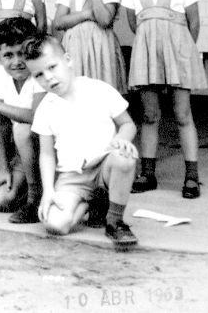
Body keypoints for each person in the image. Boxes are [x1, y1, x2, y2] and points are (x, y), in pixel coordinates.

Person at [26, 35, 140, 250]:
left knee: (124, 157)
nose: (48, 78)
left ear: (67, 60)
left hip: (104, 167)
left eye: (52, 67)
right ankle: (91, 203)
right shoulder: (46, 108)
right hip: (73, 176)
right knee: (55, 225)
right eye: (39, 74)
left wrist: (121, 140)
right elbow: (47, 155)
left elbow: (128, 124)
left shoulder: (99, 90)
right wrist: (48, 190)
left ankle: (115, 221)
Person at [121, 0, 207, 199]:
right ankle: (147, 173)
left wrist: (179, 53)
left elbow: (193, 23)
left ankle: (192, 176)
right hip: (147, 57)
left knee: (183, 114)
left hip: (179, 56)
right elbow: (136, 23)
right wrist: (152, 48)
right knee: (149, 115)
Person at [0, 18, 46, 224]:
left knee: (23, 131)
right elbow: (1, 122)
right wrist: (3, 167)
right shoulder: (0, 74)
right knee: (0, 200)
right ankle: (26, 184)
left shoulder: (40, 74)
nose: (16, 62)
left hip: (47, 148)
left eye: (22, 54)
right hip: (20, 152)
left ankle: (35, 199)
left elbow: (37, 117)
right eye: (8, 55)